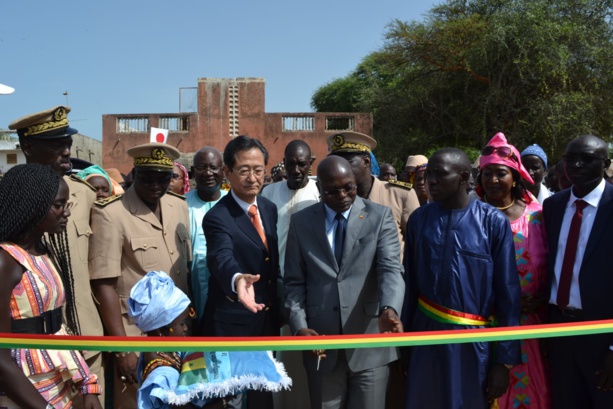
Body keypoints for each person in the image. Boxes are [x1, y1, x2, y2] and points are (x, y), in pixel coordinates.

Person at [402, 148, 521, 409]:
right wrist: (403, 347)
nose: (429, 181)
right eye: (427, 174)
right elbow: (409, 287)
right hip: (424, 339)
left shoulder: (493, 222)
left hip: (473, 344)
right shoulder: (419, 220)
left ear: (464, 177)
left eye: (439, 174)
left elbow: (508, 294)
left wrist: (504, 360)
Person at [284, 155, 405, 409]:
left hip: (369, 341)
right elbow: (294, 282)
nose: (342, 195)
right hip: (320, 344)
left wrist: (389, 308)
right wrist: (299, 327)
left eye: (348, 187)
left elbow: (390, 269)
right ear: (319, 188)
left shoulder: (379, 217)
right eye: (333, 190)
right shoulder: (301, 222)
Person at [8, 106, 105, 407]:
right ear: (27, 147)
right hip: (24, 366)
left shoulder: (86, 194)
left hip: (81, 346)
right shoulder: (10, 199)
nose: (66, 153)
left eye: (68, 145)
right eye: (55, 145)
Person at [89, 142, 191, 409]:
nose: (156, 185)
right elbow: (104, 285)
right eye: (148, 178)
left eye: (164, 178)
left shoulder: (178, 206)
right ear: (135, 174)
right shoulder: (111, 214)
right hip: (137, 336)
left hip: (178, 334)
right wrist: (123, 349)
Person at [201, 135, 280, 409]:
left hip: (267, 322)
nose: (252, 178)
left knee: (262, 398)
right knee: (229, 400)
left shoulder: (269, 209)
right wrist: (237, 280)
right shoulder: (217, 217)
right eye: (244, 170)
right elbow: (220, 256)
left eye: (258, 170)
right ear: (228, 173)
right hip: (231, 325)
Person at [476, 133, 550, 408]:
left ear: (516, 176)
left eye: (500, 173)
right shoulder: (472, 215)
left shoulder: (539, 214)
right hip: (486, 325)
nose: (493, 180)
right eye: (487, 173)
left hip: (532, 325)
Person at [543, 135, 613, 408]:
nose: (576, 164)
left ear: (605, 163)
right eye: (570, 158)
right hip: (560, 331)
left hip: (603, 335)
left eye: (587, 159)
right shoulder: (553, 206)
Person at [261, 139, 320, 409]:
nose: (296, 169)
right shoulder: (268, 193)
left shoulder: (321, 194)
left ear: (311, 163)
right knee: (280, 354)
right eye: (290, 163)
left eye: (302, 164)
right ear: (283, 162)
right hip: (276, 284)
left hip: (311, 288)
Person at [327, 132, 420, 251]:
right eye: (337, 163)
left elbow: (417, 244)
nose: (341, 169)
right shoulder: (334, 199)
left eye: (347, 162)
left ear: (366, 162)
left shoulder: (401, 194)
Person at [186, 147, 228, 328]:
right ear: (193, 172)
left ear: (223, 171)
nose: (208, 173)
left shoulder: (233, 203)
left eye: (214, 167)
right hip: (189, 291)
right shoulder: (180, 204)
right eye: (202, 167)